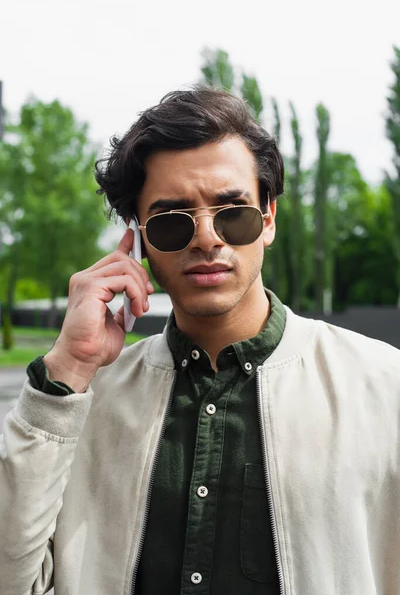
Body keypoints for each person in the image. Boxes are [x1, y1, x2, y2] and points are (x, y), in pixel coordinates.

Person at [1, 87, 399, 595]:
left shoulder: (383, 389)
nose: (207, 238)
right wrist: (64, 374)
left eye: (234, 212)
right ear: (138, 235)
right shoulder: (85, 401)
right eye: (172, 221)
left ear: (269, 218)